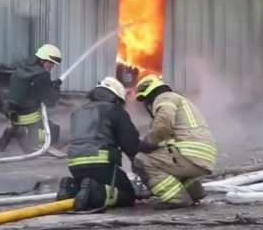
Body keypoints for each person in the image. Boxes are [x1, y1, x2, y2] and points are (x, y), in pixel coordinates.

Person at [131, 75, 217, 209]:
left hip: (189, 154)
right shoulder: (179, 100)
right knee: (166, 160)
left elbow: (163, 126)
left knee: (142, 160)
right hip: (201, 155)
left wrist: (147, 143)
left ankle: (177, 200)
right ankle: (194, 193)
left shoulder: (164, 98)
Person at [56, 77, 140, 212]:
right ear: (116, 97)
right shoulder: (115, 110)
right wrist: (139, 162)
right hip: (101, 164)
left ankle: (70, 188)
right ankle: (95, 191)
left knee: (85, 185)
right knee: (127, 194)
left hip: (75, 165)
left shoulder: (77, 112)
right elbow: (130, 143)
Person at [0, 43, 62, 154]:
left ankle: (14, 131)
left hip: (12, 114)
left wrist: (50, 86)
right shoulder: (41, 76)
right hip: (29, 117)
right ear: (42, 60)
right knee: (54, 133)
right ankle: (23, 135)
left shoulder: (21, 69)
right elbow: (50, 102)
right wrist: (56, 90)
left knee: (24, 131)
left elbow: (31, 88)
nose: (51, 67)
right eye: (51, 63)